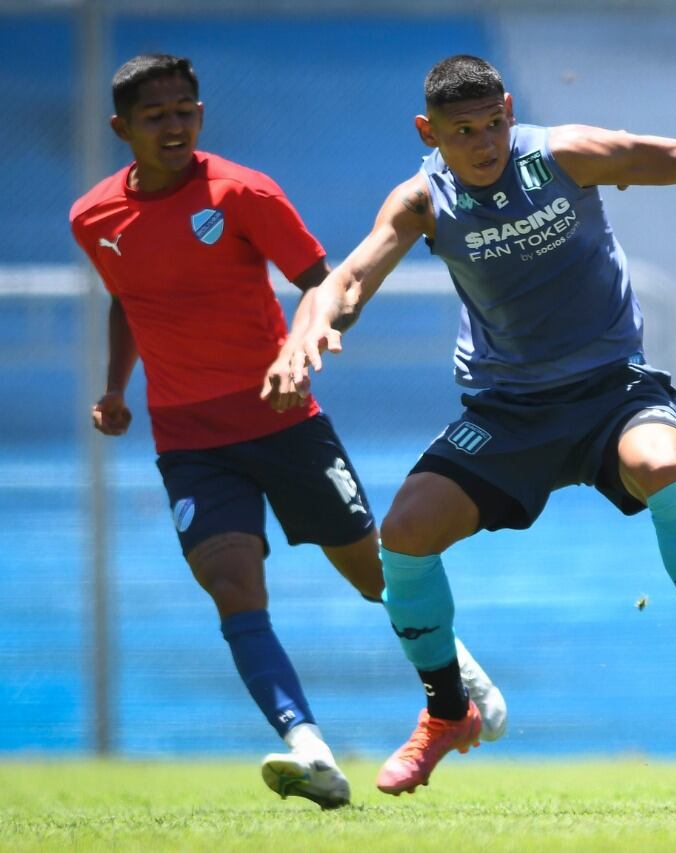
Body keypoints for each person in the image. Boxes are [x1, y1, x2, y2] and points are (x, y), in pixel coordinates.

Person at [268, 53, 676, 796]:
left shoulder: (560, 156)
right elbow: (346, 278)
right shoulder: (422, 200)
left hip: (611, 392)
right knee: (404, 535)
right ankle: (447, 712)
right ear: (428, 131)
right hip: (507, 414)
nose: (483, 143)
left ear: (511, 108)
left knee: (664, 465)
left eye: (494, 123)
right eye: (463, 131)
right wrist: (305, 330)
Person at [69, 53, 507, 809]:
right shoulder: (94, 217)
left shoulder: (243, 193)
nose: (174, 125)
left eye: (185, 111)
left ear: (201, 116)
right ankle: (309, 749)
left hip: (283, 422)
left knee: (374, 575)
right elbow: (126, 297)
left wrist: (292, 354)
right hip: (188, 440)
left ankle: (458, 671)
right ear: (121, 128)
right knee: (232, 586)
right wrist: (114, 388)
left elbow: (320, 282)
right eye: (155, 115)